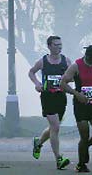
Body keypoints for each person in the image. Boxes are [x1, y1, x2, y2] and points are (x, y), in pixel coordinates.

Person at [60, 45, 92, 173]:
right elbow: (63, 83)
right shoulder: (76, 65)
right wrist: (77, 94)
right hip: (80, 105)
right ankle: (81, 164)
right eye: (91, 60)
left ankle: (85, 147)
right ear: (86, 56)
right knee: (85, 135)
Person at [27, 35, 71, 169]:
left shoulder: (66, 61)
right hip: (47, 96)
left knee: (54, 127)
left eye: (60, 45)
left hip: (61, 97)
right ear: (49, 46)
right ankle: (59, 159)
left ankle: (38, 142)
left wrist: (70, 82)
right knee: (55, 127)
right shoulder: (43, 61)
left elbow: (74, 75)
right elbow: (31, 72)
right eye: (56, 45)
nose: (59, 47)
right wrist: (37, 83)